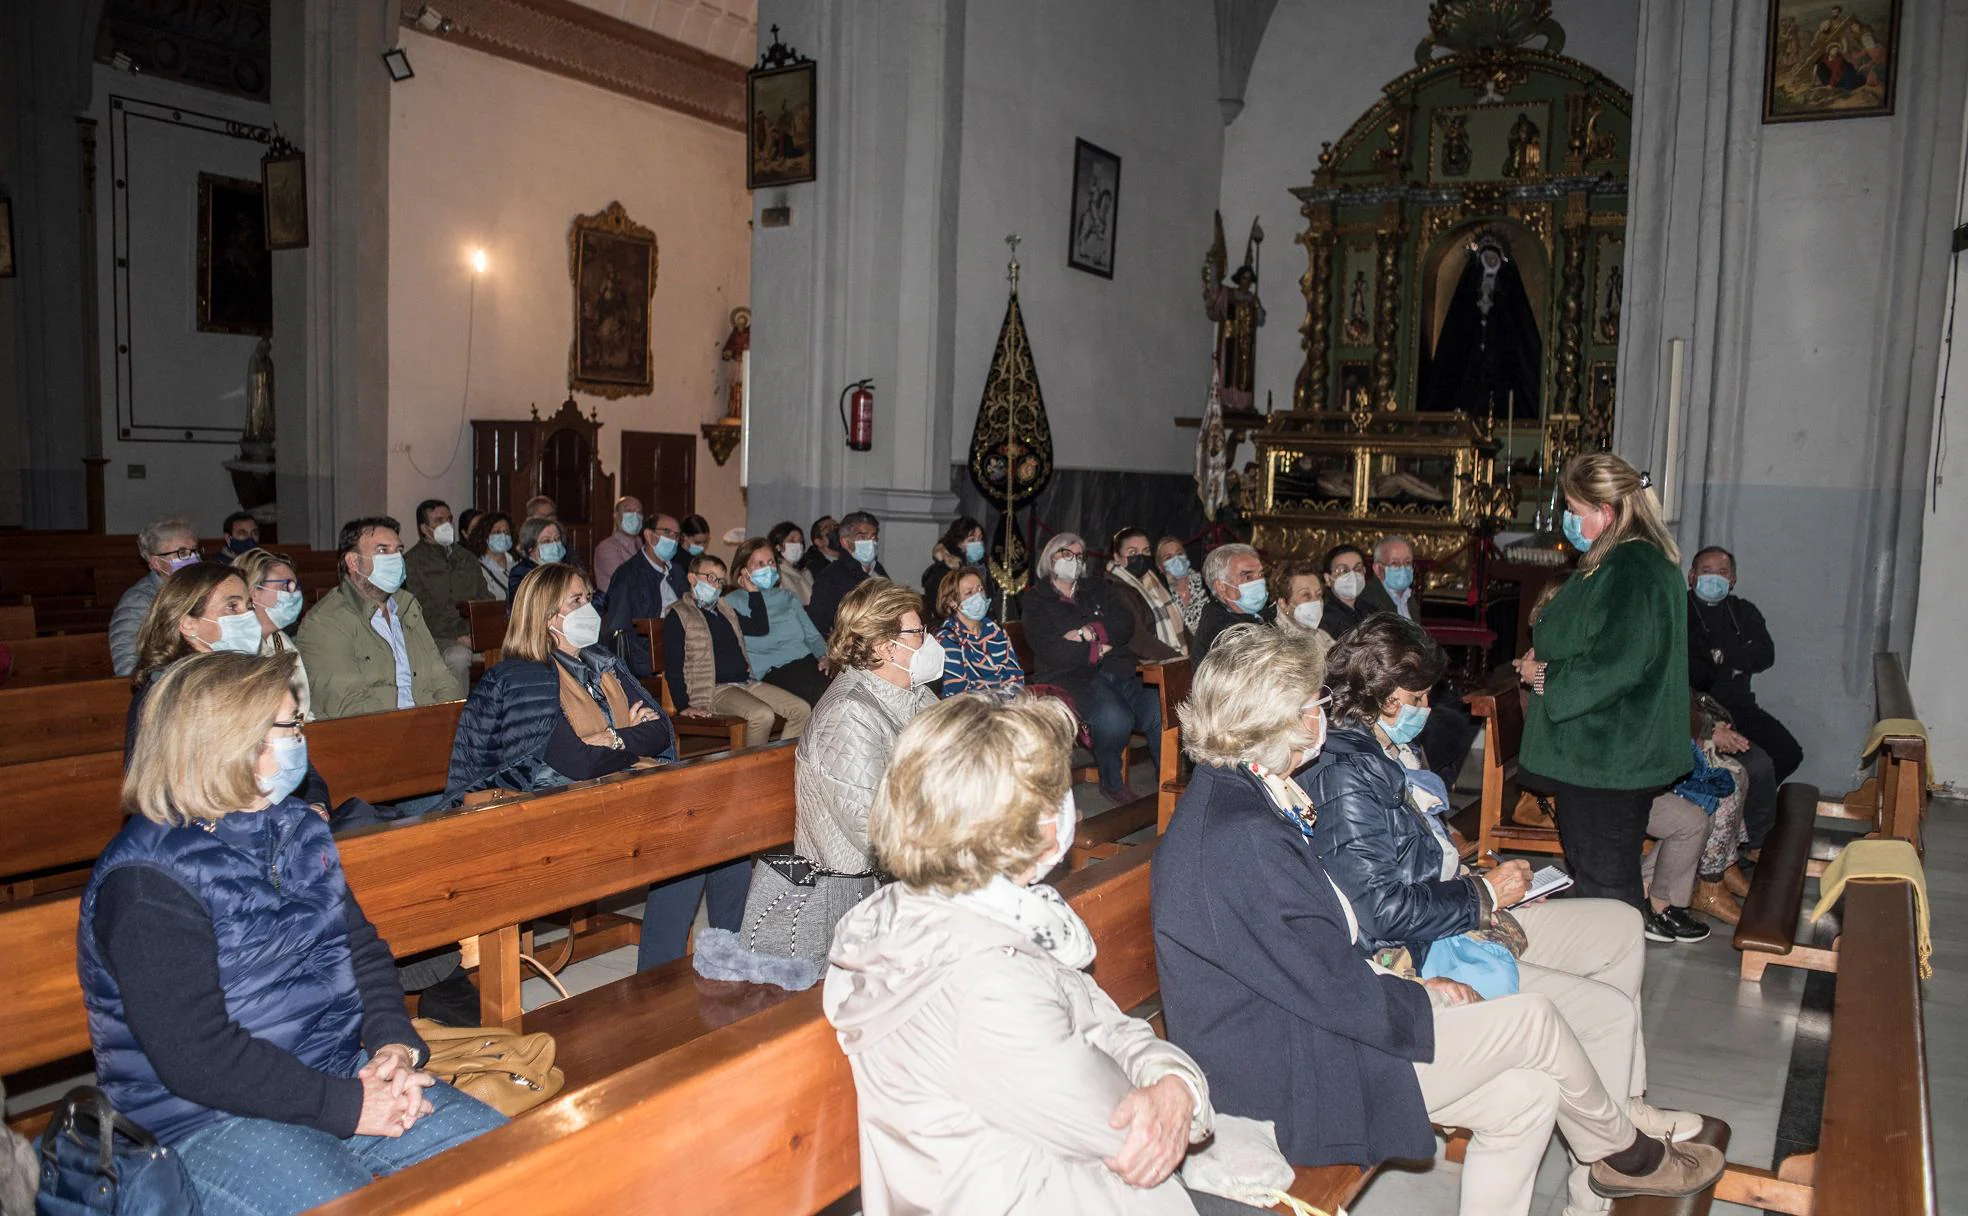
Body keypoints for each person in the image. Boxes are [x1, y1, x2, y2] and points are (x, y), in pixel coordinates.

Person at [1153, 626, 1725, 1216]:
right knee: (1533, 1019)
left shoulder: (1245, 797)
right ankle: (1625, 1157)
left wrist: (1407, 983)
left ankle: (1612, 1153)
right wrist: (1418, 997)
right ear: (1278, 721)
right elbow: (1326, 985)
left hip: (1315, 1025)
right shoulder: (1240, 836)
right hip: (1293, 1072)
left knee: (1526, 1094)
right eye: (1313, 704)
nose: (1324, 711)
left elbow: (1316, 958)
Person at [82, 651, 505, 1215]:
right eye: (291, 726)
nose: (301, 739)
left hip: (334, 1073)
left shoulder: (297, 828)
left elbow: (362, 950)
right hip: (199, 1120)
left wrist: (393, 1047)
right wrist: (348, 1105)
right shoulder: (146, 882)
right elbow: (196, 1057)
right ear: (232, 739)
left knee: (514, 1159)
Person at [825, 694, 1251, 1216]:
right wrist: (1173, 1092)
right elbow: (1124, 1130)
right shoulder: (983, 978)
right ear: (1017, 824)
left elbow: (1103, 1024)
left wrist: (1175, 1084)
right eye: (1057, 792)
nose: (1067, 807)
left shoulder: (988, 915)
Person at [694, 578, 941, 988]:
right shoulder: (849, 713)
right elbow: (874, 831)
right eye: (918, 632)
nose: (928, 641)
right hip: (854, 898)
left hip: (903, 875)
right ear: (884, 646)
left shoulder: (914, 695)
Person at [1513, 454, 1690, 910]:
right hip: (1598, 756)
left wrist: (1544, 674)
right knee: (1594, 873)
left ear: (1606, 513)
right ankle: (1604, 971)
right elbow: (1598, 638)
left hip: (1607, 756)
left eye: (1575, 511)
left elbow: (1619, 664)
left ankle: (1615, 978)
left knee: (1608, 886)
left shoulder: (1633, 567)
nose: (1570, 521)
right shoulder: (1616, 559)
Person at [443, 562, 675, 803]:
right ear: (545, 616)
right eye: (576, 601)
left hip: (608, 790)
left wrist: (610, 738)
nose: (589, 608)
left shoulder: (604, 664)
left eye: (588, 598)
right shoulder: (523, 680)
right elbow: (580, 762)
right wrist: (629, 734)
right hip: (549, 804)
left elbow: (660, 732)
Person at [1019, 533, 1160, 802]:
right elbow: (1053, 650)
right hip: (1070, 677)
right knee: (1114, 718)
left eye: (1080, 556)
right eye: (1067, 554)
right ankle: (1112, 781)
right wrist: (1099, 646)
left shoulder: (1096, 587)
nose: (1074, 561)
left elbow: (1124, 623)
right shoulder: (1036, 600)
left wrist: (1087, 632)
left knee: (1158, 709)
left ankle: (1167, 785)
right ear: (1051, 558)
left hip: (1118, 669)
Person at [1686, 545, 1802, 850]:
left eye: (1722, 573)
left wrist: (1723, 656)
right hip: (1701, 709)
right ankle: (1753, 842)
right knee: (1757, 765)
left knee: (1788, 752)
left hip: (1741, 707)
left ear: (1733, 579)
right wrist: (1729, 661)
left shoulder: (1743, 612)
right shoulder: (1680, 610)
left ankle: (1746, 812)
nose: (1714, 579)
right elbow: (1695, 671)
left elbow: (1764, 654)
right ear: (1692, 576)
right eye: (1706, 572)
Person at [297, 517, 463, 719]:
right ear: (353, 561)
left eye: (399, 550)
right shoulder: (325, 622)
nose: (396, 559)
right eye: (383, 550)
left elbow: (442, 679)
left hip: (427, 727)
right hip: (377, 735)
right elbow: (348, 707)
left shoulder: (407, 607)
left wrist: (449, 722)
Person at [663, 552, 811, 746]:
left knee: (801, 710)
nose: (716, 585)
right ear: (692, 578)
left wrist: (753, 592)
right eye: (711, 578)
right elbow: (673, 665)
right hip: (713, 690)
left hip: (745, 682)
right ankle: (752, 771)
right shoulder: (679, 614)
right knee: (762, 715)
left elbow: (759, 627)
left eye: (720, 581)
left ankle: (778, 763)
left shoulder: (725, 611)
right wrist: (683, 706)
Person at [724, 538, 830, 706]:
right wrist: (753, 593)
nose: (767, 568)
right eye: (759, 564)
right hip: (771, 670)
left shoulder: (786, 597)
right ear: (743, 571)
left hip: (806, 662)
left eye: (771, 562)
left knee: (850, 689)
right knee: (825, 697)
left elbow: (812, 636)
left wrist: (824, 656)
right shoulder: (730, 603)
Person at [404, 499, 490, 691]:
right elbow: (420, 610)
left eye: (449, 519)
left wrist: (478, 634)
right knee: (458, 657)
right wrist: (458, 635)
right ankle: (456, 717)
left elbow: (484, 597)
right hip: (437, 636)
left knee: (515, 654)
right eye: (439, 520)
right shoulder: (412, 562)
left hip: (473, 635)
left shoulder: (466, 557)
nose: (447, 525)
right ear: (425, 528)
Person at [110, 515, 203, 677]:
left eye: (195, 550)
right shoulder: (139, 600)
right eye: (182, 552)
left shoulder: (202, 590)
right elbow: (127, 663)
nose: (193, 558)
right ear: (156, 563)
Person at [600, 514, 689, 678]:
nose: (673, 539)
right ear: (649, 535)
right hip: (646, 659)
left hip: (681, 652)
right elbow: (620, 630)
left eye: (677, 535)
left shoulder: (677, 573)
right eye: (667, 532)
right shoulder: (628, 575)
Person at [935, 567, 1024, 698]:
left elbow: (1014, 675)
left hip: (1004, 705)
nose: (978, 596)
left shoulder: (995, 631)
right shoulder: (947, 638)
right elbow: (957, 691)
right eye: (969, 592)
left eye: (980, 589)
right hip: (968, 710)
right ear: (952, 602)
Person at [1107, 528, 1187, 659]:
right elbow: (1137, 638)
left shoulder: (1153, 582)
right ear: (1117, 557)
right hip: (1139, 667)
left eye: (1146, 551)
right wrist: (1177, 659)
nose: (1140, 557)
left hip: (1172, 658)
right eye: (1132, 552)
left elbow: (1180, 625)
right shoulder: (1114, 588)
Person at [1190, 543, 1273, 665]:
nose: (1259, 582)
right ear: (1221, 587)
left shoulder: (1259, 615)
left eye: (1260, 574)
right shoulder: (1222, 631)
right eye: (1248, 577)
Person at [809, 510, 888, 634]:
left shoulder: (878, 569)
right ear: (845, 542)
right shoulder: (830, 577)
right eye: (862, 537)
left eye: (873, 537)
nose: (871, 542)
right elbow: (819, 624)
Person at [1318, 543, 1397, 639]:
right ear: (1328, 579)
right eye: (1343, 570)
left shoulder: (1371, 610)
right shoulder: (1322, 616)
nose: (1352, 575)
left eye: (1358, 569)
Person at [233, 547, 309, 643]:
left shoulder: (281, 640)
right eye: (286, 585)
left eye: (295, 586)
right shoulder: (235, 645)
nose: (295, 593)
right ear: (253, 591)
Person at [1269, 558, 1333, 658]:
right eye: (1306, 595)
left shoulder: (1322, 635)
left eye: (1318, 594)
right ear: (1283, 604)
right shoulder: (1274, 643)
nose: (1315, 602)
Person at [920, 516, 986, 607]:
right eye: (971, 540)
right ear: (958, 542)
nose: (978, 543)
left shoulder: (983, 567)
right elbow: (941, 607)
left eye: (980, 539)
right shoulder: (941, 572)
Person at [505, 515, 567, 604]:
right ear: (530, 547)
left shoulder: (568, 567)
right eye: (546, 541)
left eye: (557, 539)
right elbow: (523, 605)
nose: (555, 545)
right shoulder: (521, 572)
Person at [591, 496, 645, 592]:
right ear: (616, 516)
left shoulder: (643, 545)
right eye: (629, 511)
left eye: (639, 512)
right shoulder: (606, 548)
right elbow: (627, 580)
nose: (635, 515)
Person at [1156, 536, 1207, 633]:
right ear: (1161, 568)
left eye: (1179, 553)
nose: (1176, 559)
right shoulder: (1160, 596)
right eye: (1169, 557)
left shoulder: (1206, 583)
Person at [465, 510, 517, 599]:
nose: (503, 536)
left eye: (506, 532)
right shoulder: (476, 568)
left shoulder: (516, 564)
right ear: (484, 536)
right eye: (497, 532)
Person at [1372, 534, 1421, 621]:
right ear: (1378, 569)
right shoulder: (1368, 603)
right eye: (1394, 563)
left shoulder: (1408, 598)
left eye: (1407, 562)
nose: (1402, 568)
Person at [767, 520, 814, 604]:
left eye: (800, 541)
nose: (798, 545)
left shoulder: (805, 572)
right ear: (778, 546)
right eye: (792, 541)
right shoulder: (775, 573)